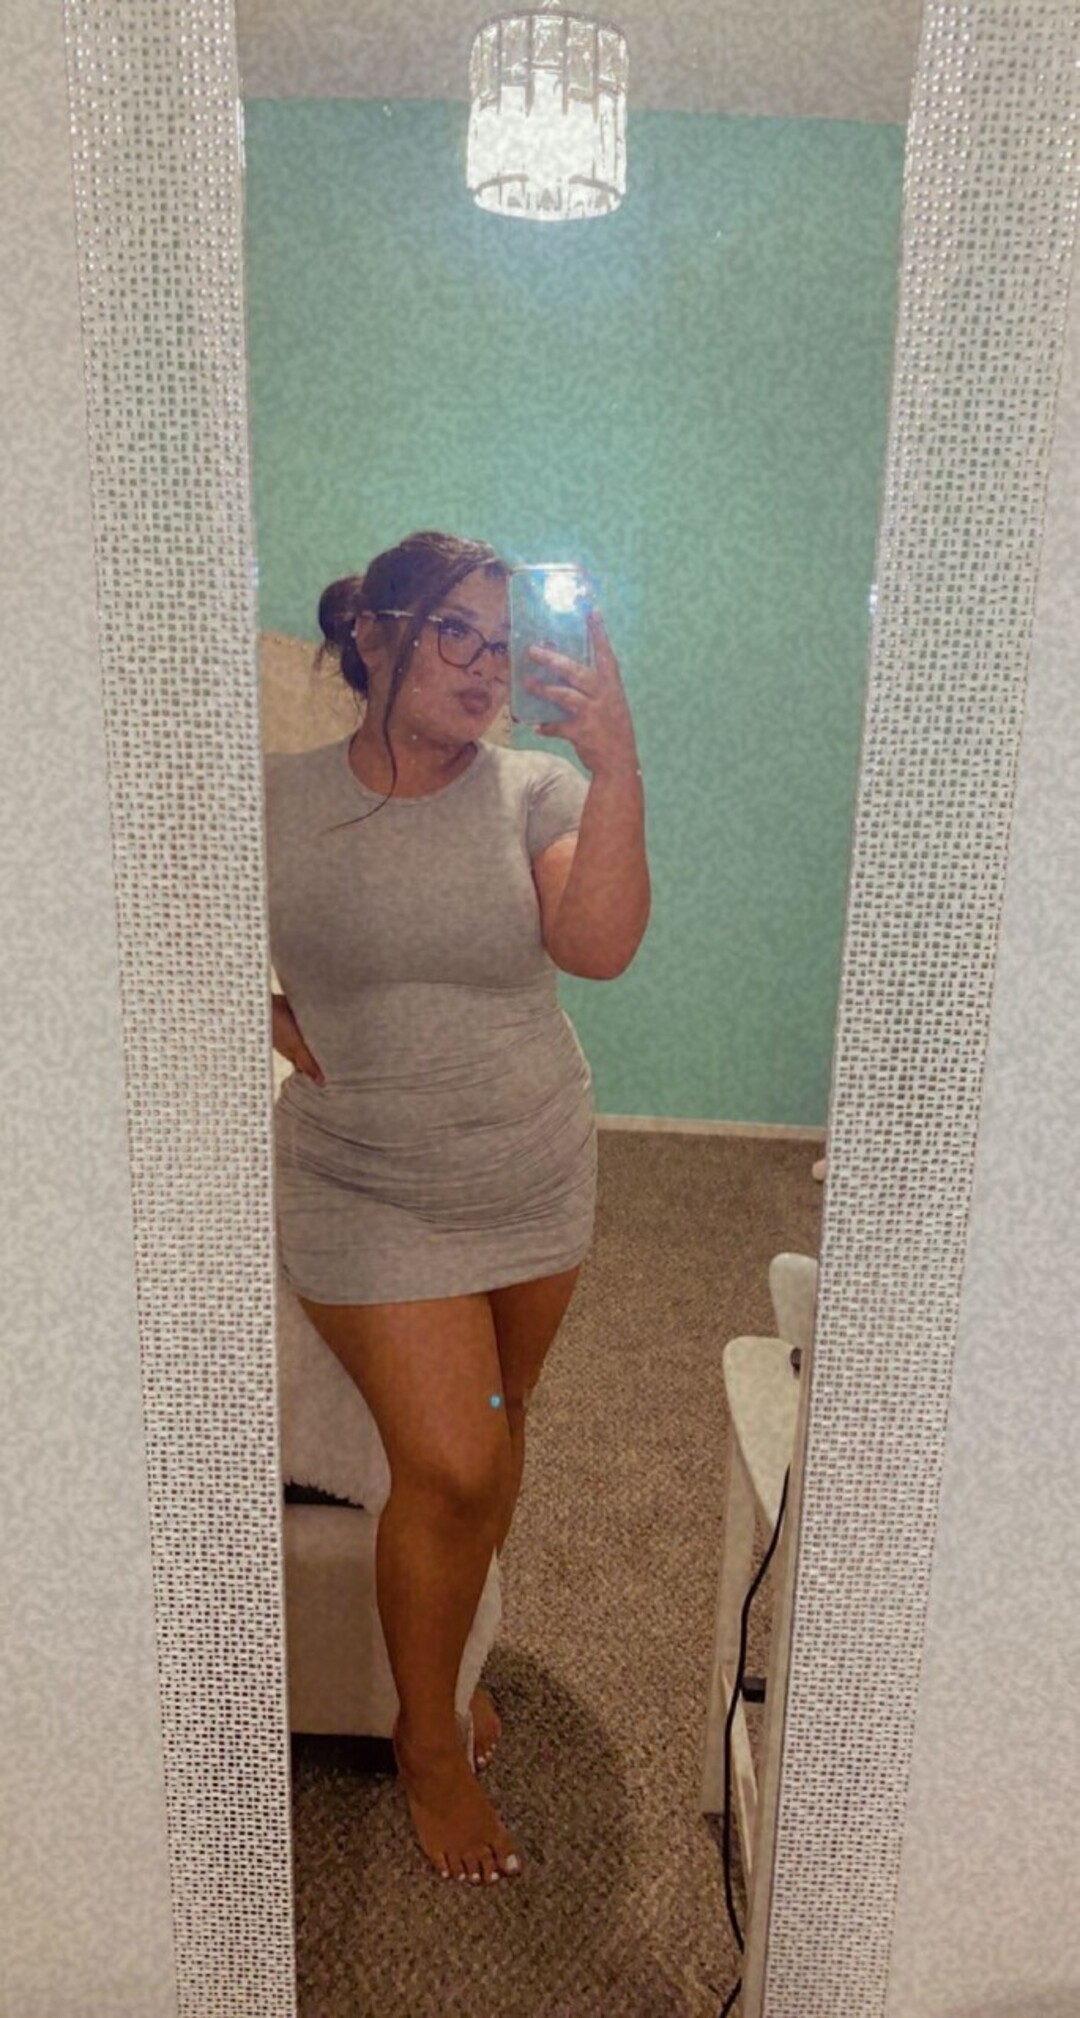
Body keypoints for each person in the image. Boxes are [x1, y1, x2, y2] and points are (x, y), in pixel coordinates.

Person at [264, 529, 650, 1888]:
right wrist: (256, 1009)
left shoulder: (533, 788)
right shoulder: (272, 797)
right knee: (455, 1465)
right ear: (372, 634)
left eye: (501, 640)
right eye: (454, 634)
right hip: (367, 1184)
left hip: (532, 1168)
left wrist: (617, 766)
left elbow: (597, 946)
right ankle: (426, 1739)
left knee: (504, 1419)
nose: (486, 666)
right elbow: (138, 928)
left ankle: (458, 1653)